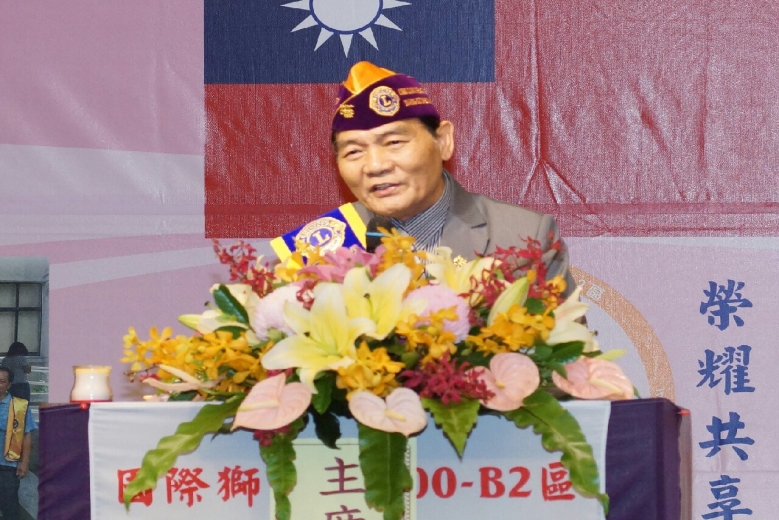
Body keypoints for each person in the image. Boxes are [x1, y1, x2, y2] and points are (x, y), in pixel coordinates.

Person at [318, 61, 576, 290]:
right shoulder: (321, 246)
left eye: (394, 142)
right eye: (353, 151)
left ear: (443, 141)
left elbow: (560, 331)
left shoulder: (524, 238)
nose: (375, 166)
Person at [0, 366, 36, 520]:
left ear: (9, 385)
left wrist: (25, 462)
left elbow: (26, 435)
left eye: (1, 381)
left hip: (8, 464)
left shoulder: (19, 407)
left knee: (9, 506)